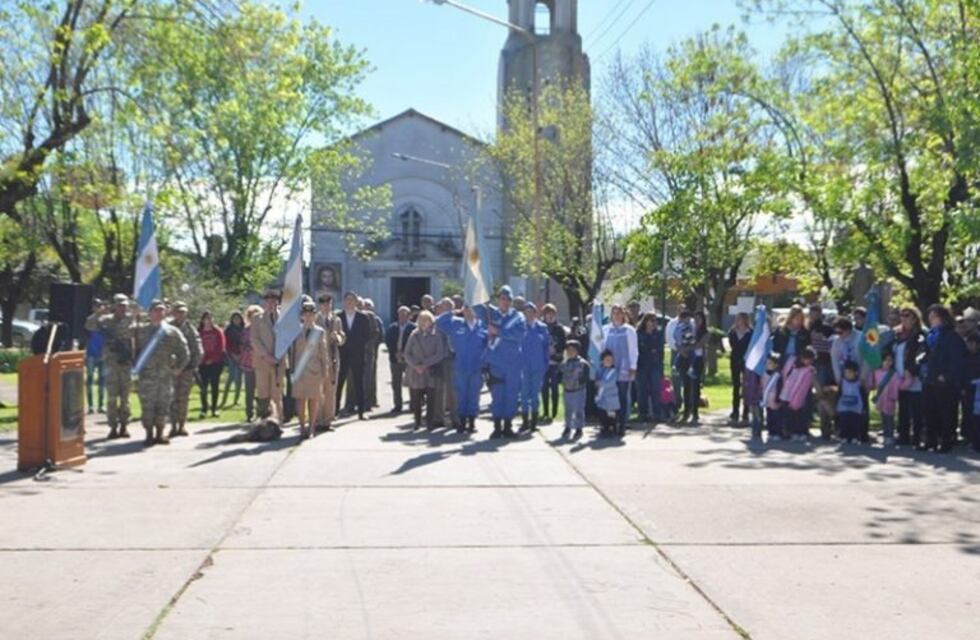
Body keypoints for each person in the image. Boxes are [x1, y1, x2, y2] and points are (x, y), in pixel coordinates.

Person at [134, 300, 190, 446]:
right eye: (156, 310)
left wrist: (179, 368)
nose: (159, 313)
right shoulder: (140, 331)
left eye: (162, 310)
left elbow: (184, 352)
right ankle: (149, 434)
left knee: (163, 406)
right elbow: (132, 350)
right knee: (147, 406)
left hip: (165, 377)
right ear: (150, 313)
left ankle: (160, 433)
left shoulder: (172, 331)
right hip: (147, 376)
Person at [479, 286, 526, 439]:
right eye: (502, 299)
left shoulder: (518, 317)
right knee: (497, 396)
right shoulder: (491, 314)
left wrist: (499, 332)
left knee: (511, 395)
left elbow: (519, 335)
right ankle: (497, 427)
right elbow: (475, 306)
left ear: (511, 302)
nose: (505, 302)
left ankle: (508, 426)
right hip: (496, 362)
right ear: (498, 300)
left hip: (513, 363)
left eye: (508, 299)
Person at [85, 293, 135, 438]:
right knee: (112, 397)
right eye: (120, 305)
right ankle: (113, 427)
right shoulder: (106, 320)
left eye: (125, 305)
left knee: (125, 397)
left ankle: (124, 426)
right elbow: (88, 325)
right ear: (114, 306)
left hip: (126, 363)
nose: (123, 308)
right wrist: (98, 313)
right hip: (111, 363)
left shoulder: (131, 318)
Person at [921, 304, 967, 452]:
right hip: (929, 378)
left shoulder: (951, 336)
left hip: (945, 382)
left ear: (942, 318)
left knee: (946, 413)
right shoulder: (930, 335)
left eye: (934, 316)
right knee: (929, 411)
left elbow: (957, 360)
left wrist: (946, 375)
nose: (930, 319)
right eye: (930, 316)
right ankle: (931, 440)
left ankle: (946, 441)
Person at [435, 304, 487, 434]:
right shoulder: (456, 324)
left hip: (476, 367)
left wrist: (485, 366)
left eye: (471, 309)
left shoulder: (483, 327)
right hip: (460, 366)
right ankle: (462, 423)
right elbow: (439, 322)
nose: (469, 312)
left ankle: (472, 423)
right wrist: (452, 312)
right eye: (466, 309)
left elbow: (488, 347)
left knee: (474, 396)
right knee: (461, 395)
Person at [403, 310, 447, 430]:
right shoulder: (414, 334)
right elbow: (407, 353)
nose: (423, 322)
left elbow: (440, 353)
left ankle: (429, 423)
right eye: (421, 320)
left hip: (430, 370)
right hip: (415, 371)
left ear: (431, 321)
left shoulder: (437, 335)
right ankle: (417, 422)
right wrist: (415, 365)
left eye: (426, 320)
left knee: (431, 397)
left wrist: (425, 364)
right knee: (416, 398)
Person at [292, 300, 330, 439]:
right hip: (299, 371)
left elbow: (324, 353)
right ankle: (302, 426)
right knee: (300, 400)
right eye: (305, 314)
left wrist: (325, 372)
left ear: (314, 316)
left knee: (314, 400)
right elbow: (292, 351)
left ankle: (312, 427)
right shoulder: (296, 330)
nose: (308, 317)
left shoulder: (319, 332)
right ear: (302, 316)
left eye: (311, 314)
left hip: (314, 371)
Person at [601, 304, 638, 435]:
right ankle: (609, 424)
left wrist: (633, 367)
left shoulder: (629, 330)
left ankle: (622, 424)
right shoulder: (605, 329)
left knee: (622, 397)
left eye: (619, 313)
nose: (616, 315)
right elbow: (601, 348)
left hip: (624, 369)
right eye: (614, 313)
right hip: (608, 369)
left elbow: (633, 350)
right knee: (608, 396)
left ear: (623, 315)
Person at [169, 302, 203, 438]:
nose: (180, 315)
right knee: (172, 398)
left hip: (187, 369)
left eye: (183, 312)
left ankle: (181, 425)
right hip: (171, 369)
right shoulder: (168, 328)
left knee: (183, 398)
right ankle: (173, 425)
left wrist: (193, 365)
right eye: (178, 312)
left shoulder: (190, 328)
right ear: (173, 313)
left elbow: (198, 348)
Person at [893, 307, 926, 448]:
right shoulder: (898, 334)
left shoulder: (921, 334)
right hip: (900, 377)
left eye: (907, 315)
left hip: (914, 377)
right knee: (903, 408)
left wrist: (912, 370)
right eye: (902, 315)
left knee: (917, 409)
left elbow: (922, 353)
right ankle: (903, 435)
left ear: (915, 317)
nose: (904, 318)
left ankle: (917, 437)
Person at [252, 290, 286, 421]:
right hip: (262, 362)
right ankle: (263, 421)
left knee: (277, 394)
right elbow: (255, 339)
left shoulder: (284, 317)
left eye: (274, 301)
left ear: (278, 302)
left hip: (279, 361)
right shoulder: (257, 318)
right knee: (263, 394)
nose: (271, 304)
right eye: (268, 301)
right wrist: (266, 356)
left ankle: (278, 421)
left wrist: (278, 356)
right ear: (265, 302)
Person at [337, 291, 370, 420]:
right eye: (347, 300)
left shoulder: (363, 317)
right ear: (344, 302)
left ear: (356, 302)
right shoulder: (338, 317)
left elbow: (366, 335)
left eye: (352, 300)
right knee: (339, 383)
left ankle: (361, 412)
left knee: (359, 384)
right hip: (342, 354)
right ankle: (335, 411)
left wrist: (357, 346)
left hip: (358, 354)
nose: (349, 302)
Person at [315, 293, 345, 431]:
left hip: (333, 358)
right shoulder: (315, 319)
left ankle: (327, 420)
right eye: (324, 304)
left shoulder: (336, 319)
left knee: (331, 391)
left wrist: (338, 337)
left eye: (329, 304)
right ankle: (318, 420)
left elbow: (342, 336)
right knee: (319, 391)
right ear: (320, 305)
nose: (327, 307)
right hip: (319, 359)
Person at [519, 302, 550, 433]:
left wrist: (545, 364)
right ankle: (525, 421)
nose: (529, 315)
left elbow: (546, 348)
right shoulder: (520, 327)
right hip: (524, 366)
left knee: (535, 394)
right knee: (524, 394)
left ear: (535, 313)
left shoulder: (542, 327)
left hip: (538, 365)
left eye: (531, 312)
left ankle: (534, 423)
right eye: (526, 312)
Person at [779, 347, 817, 442]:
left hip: (800, 396)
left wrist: (797, 400)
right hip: (787, 392)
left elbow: (804, 388)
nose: (809, 362)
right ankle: (791, 432)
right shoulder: (791, 362)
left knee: (801, 415)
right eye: (808, 359)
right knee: (789, 415)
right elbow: (784, 374)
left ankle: (801, 432)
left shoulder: (809, 370)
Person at [385, 306, 415, 415]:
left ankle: (413, 404)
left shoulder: (413, 328)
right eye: (400, 314)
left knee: (411, 382)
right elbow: (388, 341)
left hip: (409, 360)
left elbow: (415, 343)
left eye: (404, 314)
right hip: (395, 358)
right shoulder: (392, 327)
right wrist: (395, 352)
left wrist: (404, 353)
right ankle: (397, 405)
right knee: (396, 383)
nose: (402, 316)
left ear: (408, 316)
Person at [541, 304, 567, 424]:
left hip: (555, 362)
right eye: (547, 314)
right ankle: (545, 411)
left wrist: (556, 351)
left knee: (555, 388)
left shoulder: (559, 328)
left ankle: (554, 412)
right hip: (544, 362)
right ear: (544, 315)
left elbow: (563, 344)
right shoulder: (541, 327)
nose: (550, 316)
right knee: (544, 387)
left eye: (552, 314)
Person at [636, 313, 665, 423]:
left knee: (655, 389)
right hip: (641, 365)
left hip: (655, 365)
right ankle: (643, 413)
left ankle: (656, 413)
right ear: (645, 321)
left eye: (655, 321)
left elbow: (659, 349)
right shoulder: (639, 334)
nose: (653, 323)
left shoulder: (658, 334)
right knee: (642, 390)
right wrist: (650, 349)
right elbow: (639, 349)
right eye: (651, 320)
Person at [197, 311, 225, 419]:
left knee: (214, 386)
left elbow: (221, 347)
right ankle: (204, 408)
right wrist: (203, 359)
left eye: (210, 318)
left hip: (215, 363)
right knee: (203, 387)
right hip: (202, 363)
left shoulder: (217, 331)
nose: (208, 321)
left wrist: (212, 359)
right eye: (206, 318)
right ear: (202, 320)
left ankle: (214, 409)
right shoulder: (199, 332)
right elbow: (196, 346)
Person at [559, 340, 590, 440]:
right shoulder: (565, 363)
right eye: (568, 350)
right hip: (567, 390)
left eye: (573, 350)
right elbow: (560, 372)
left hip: (578, 390)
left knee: (579, 410)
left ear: (578, 351)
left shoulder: (582, 363)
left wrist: (582, 382)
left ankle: (579, 428)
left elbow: (586, 376)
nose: (570, 352)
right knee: (568, 410)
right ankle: (568, 427)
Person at [872, 351, 902, 446]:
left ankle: (890, 436)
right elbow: (873, 383)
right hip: (881, 399)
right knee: (883, 418)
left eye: (890, 360)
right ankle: (886, 435)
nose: (888, 362)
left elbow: (898, 385)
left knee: (889, 418)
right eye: (886, 360)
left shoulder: (894, 374)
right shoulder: (877, 372)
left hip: (890, 399)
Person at [728, 312, 752, 424]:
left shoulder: (750, 333)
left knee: (746, 386)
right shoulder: (732, 332)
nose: (740, 321)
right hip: (735, 360)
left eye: (742, 319)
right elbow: (733, 346)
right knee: (736, 386)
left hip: (746, 361)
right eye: (738, 319)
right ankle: (735, 411)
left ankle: (746, 412)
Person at [85, 299, 107, 415]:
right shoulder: (90, 319)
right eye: (97, 306)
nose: (99, 308)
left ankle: (101, 405)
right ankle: (90, 406)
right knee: (89, 380)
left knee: (102, 381)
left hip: (103, 355)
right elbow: (89, 327)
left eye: (100, 305)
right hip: (91, 355)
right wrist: (97, 314)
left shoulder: (106, 320)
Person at [362, 298, 384, 410]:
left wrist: (373, 346)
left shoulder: (376, 320)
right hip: (361, 353)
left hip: (372, 352)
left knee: (371, 377)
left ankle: (372, 400)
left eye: (369, 306)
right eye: (365, 305)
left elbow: (379, 336)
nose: (367, 307)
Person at [240, 305, 261, 422]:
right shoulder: (246, 330)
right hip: (248, 363)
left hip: (261, 364)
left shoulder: (263, 329)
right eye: (252, 316)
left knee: (262, 391)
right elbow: (242, 344)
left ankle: (261, 412)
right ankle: (249, 413)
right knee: (249, 390)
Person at [836, 361, 865, 444]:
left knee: (855, 423)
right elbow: (839, 394)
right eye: (846, 372)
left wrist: (864, 407)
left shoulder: (859, 383)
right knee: (844, 422)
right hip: (844, 407)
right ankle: (844, 436)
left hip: (856, 408)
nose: (847, 374)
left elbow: (862, 395)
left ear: (855, 373)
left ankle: (854, 436)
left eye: (850, 372)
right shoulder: (842, 382)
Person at [221, 311, 246, 409]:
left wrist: (241, 355)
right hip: (231, 357)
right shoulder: (229, 330)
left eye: (238, 318)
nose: (237, 320)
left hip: (242, 356)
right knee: (230, 379)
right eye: (235, 318)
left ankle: (236, 400)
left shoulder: (244, 329)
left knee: (239, 380)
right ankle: (224, 400)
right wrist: (233, 355)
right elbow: (226, 344)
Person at [595, 349, 621, 438]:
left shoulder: (614, 371)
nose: (609, 362)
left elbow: (611, 383)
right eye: (606, 360)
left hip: (611, 398)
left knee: (612, 415)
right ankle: (604, 427)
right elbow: (597, 378)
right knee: (603, 414)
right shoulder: (600, 370)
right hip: (602, 397)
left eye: (610, 360)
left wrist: (601, 383)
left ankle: (614, 427)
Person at [761, 354, 783, 441]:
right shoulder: (764, 374)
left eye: (770, 363)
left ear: (776, 365)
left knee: (776, 418)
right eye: (767, 363)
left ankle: (777, 433)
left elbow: (780, 388)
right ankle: (771, 432)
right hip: (767, 400)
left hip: (775, 400)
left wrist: (778, 399)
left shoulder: (777, 376)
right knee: (769, 417)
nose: (768, 365)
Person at [965, 333, 980, 453]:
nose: (969, 345)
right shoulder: (966, 356)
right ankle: (973, 440)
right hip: (968, 389)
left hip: (978, 389)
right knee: (970, 416)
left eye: (972, 343)